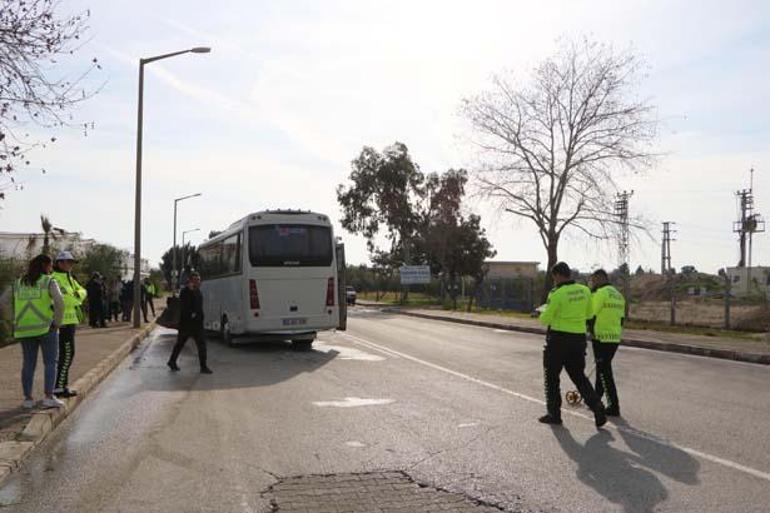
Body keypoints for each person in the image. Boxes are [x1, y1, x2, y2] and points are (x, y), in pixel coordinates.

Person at [538, 262, 606, 428]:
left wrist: (541, 313)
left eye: (554, 278)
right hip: (578, 340)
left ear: (557, 276)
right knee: (578, 376)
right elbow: (590, 314)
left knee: (552, 377)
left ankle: (554, 414)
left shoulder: (557, 293)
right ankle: (596, 405)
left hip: (558, 340)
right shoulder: (584, 290)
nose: (554, 281)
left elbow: (545, 319)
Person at [6, 255, 66, 409]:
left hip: (24, 329)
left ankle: (28, 399)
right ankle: (48, 396)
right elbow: (60, 302)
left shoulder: (18, 283)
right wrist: (57, 322)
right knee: (50, 363)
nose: (51, 269)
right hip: (46, 328)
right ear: (46, 266)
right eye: (50, 266)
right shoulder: (48, 281)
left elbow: (2, 303)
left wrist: (14, 319)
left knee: (28, 364)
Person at [588, 269, 626, 417]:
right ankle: (595, 400)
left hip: (601, 337)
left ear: (598, 279)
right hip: (614, 337)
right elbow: (622, 319)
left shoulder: (601, 293)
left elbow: (591, 314)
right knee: (602, 369)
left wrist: (591, 331)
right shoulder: (618, 295)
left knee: (604, 372)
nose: (592, 283)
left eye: (593, 280)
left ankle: (613, 406)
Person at [51, 251, 87, 398]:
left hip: (70, 321)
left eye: (72, 262)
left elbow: (83, 291)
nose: (70, 265)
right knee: (66, 355)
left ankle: (61, 385)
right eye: (67, 262)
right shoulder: (55, 278)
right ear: (59, 263)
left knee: (66, 354)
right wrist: (76, 296)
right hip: (62, 322)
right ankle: (59, 387)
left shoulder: (69, 278)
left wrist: (77, 295)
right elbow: (66, 300)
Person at [167, 272, 212, 374]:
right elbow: (186, 307)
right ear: (191, 281)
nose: (198, 282)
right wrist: (192, 314)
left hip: (197, 324)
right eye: (196, 280)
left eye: (199, 280)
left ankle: (203, 366)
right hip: (187, 324)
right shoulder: (185, 292)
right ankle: (172, 361)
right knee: (180, 344)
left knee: (202, 345)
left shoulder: (197, 291)